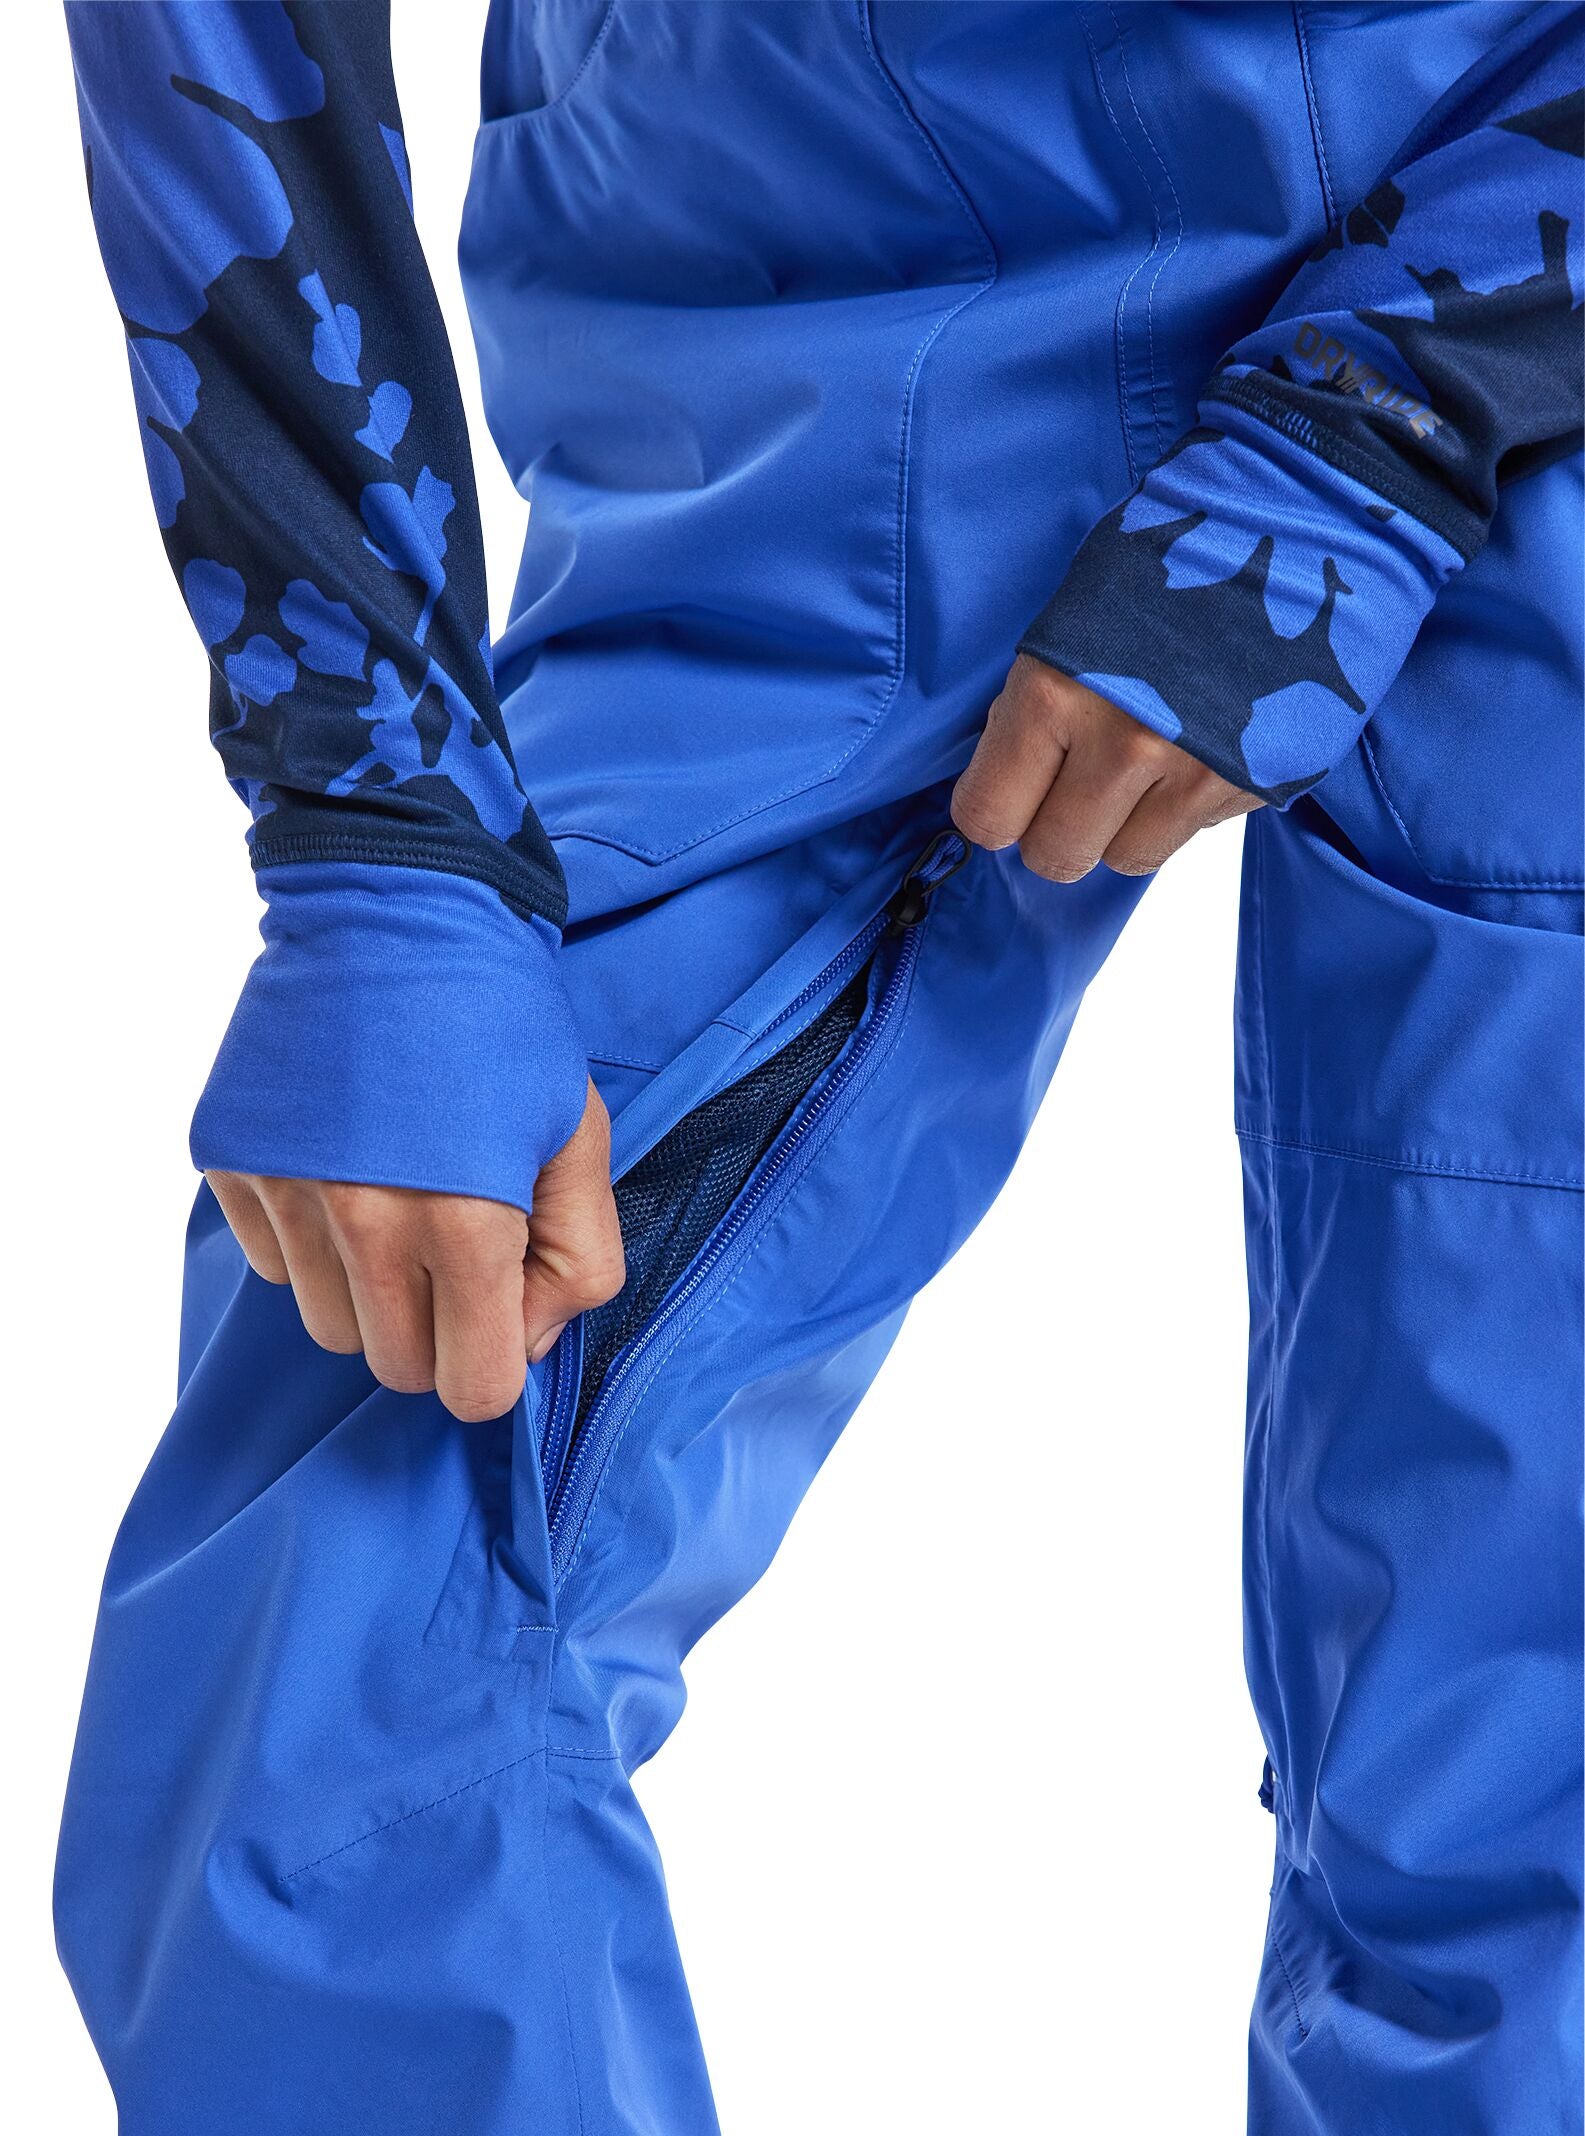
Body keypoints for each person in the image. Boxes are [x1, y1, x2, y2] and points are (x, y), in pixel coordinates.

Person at [54, 4, 1582, 2130]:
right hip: (835, 270)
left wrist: (1409, 383)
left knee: (1536, 1766)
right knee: (355, 1617)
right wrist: (379, 829)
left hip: (1535, 185)